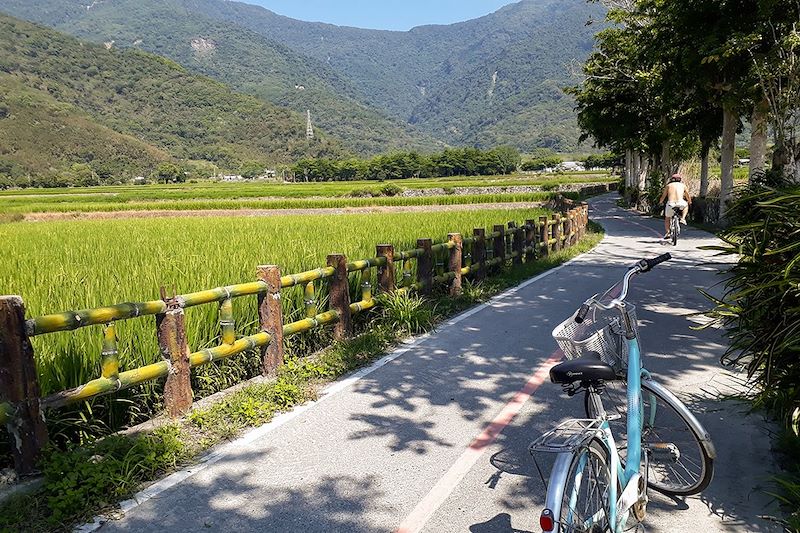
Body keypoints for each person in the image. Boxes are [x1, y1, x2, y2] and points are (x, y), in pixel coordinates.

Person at [658, 173, 691, 239]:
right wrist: (689, 201)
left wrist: (660, 202)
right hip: (680, 202)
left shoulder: (668, 186)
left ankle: (668, 232)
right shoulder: (683, 185)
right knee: (686, 205)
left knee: (667, 218)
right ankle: (683, 218)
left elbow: (663, 196)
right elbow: (687, 195)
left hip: (671, 203)